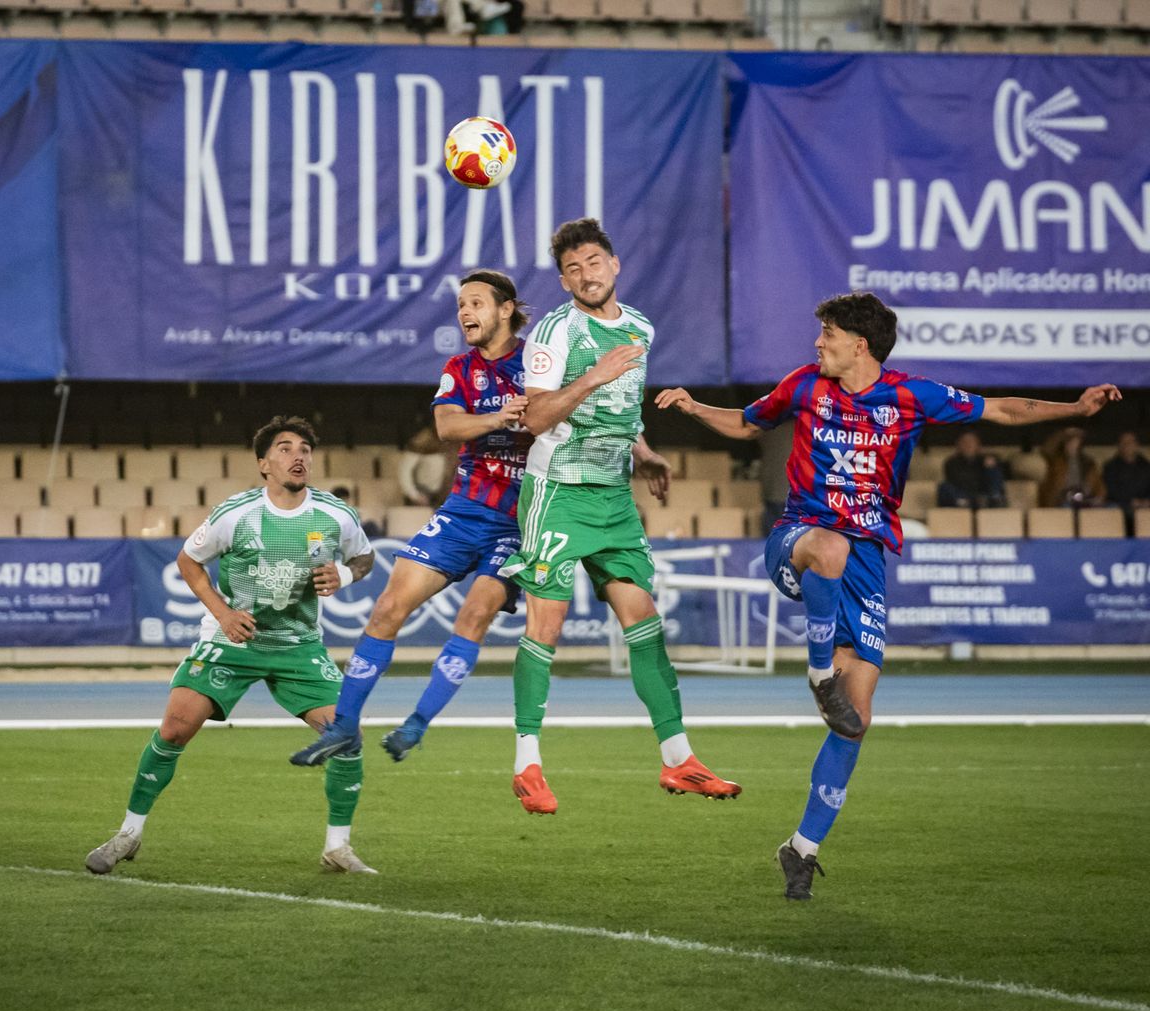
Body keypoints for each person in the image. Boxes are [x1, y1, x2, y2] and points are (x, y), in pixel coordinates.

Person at [655, 290, 1120, 901]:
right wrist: (691, 406)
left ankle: (802, 848)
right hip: (799, 539)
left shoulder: (910, 396)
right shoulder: (803, 385)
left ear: (859, 343)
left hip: (867, 561)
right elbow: (746, 423)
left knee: (857, 720)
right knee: (830, 547)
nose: (817, 342)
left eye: (827, 333)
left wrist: (1076, 409)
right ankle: (818, 671)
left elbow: (1001, 411)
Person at [496, 217, 740, 815]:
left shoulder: (639, 328)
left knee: (644, 622)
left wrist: (647, 452)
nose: (585, 275)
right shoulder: (555, 331)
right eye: (573, 268)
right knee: (546, 627)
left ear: (615, 265)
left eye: (593, 263)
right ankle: (526, 764)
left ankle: (679, 759)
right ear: (563, 279)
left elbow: (623, 411)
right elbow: (534, 418)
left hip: (613, 497)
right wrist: (593, 375)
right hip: (557, 491)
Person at [86, 416, 378, 877]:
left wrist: (345, 573)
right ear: (264, 464)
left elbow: (364, 555)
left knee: (346, 739)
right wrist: (223, 614)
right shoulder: (236, 514)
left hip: (299, 646)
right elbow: (188, 560)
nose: (297, 456)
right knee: (175, 729)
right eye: (284, 449)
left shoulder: (335, 513)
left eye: (304, 448)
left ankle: (337, 848)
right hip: (232, 640)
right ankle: (128, 834)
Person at [290, 270, 533, 767]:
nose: (464, 312)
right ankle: (343, 728)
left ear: (505, 309)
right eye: (460, 304)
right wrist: (499, 417)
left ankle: (417, 723)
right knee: (385, 609)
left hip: (521, 520)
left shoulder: (540, 360)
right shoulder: (459, 368)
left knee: (475, 614)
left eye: (475, 303)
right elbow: (447, 426)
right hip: (464, 511)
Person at [936, 430, 1006, 509]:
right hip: (962, 495)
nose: (968, 445)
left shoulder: (985, 459)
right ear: (959, 445)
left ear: (978, 445)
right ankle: (964, 502)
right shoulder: (951, 462)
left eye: (972, 442)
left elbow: (996, 477)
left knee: (993, 471)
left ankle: (995, 498)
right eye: (965, 442)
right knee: (944, 487)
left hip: (983, 496)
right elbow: (957, 481)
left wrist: (990, 467)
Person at [1038, 426, 1106, 508]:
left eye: (1075, 442)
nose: (1072, 445)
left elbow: (1099, 485)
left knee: (1110, 508)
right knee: (1067, 507)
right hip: (1061, 499)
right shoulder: (1057, 460)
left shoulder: (1088, 462)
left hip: (1084, 497)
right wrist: (1063, 434)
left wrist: (1099, 498)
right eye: (1069, 442)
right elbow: (1046, 449)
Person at [1103, 431, 1150, 532]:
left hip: (1145, 505)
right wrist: (1130, 501)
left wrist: (1146, 501)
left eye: (1131, 442)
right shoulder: (1110, 467)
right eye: (1124, 443)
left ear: (1137, 445)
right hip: (1121, 504)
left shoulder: (1146, 466)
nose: (1128, 445)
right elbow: (1111, 490)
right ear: (1119, 446)